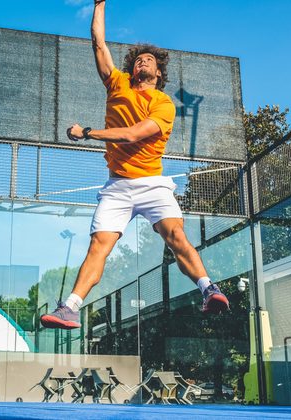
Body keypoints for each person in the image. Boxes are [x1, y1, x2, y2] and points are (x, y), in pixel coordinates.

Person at [40, 0, 229, 330]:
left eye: (150, 60)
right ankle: (69, 308)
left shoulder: (164, 104)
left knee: (175, 236)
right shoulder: (117, 83)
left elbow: (131, 135)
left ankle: (208, 289)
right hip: (117, 186)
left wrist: (86, 132)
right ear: (132, 67)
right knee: (99, 245)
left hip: (152, 185)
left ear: (158, 73)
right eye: (139, 58)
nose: (143, 61)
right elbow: (98, 41)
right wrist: (99, 4)